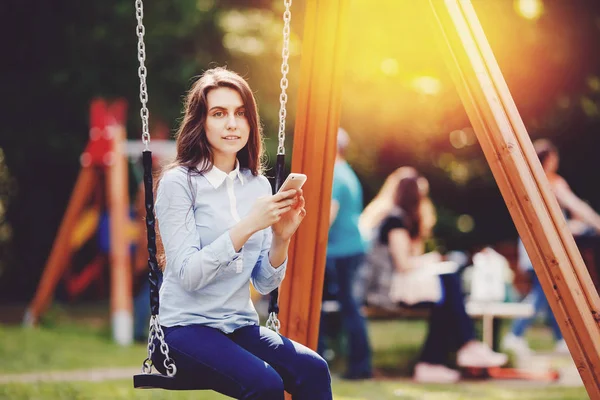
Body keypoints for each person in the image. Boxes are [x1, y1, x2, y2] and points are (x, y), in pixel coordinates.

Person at [151, 67, 332, 400]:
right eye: (219, 113)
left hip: (238, 326)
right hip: (184, 330)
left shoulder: (257, 185)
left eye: (240, 113)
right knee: (265, 384)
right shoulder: (180, 183)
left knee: (314, 369)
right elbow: (188, 275)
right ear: (201, 122)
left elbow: (263, 282)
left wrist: (281, 237)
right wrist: (249, 224)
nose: (232, 123)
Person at [365, 170, 508, 383]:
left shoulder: (399, 219)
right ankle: (461, 348)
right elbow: (403, 265)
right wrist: (431, 260)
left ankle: (433, 362)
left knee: (444, 295)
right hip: (385, 291)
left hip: (399, 285)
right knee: (447, 281)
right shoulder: (395, 221)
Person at [503, 139, 600, 356]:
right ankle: (514, 335)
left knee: (553, 295)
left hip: (530, 246)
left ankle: (561, 341)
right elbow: (576, 206)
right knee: (544, 294)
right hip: (546, 250)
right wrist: (596, 223)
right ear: (549, 159)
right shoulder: (552, 182)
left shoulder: (529, 183)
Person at [317, 128, 373, 380]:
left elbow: (326, 218)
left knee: (338, 307)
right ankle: (356, 365)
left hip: (341, 251)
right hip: (350, 249)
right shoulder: (347, 172)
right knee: (349, 308)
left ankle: (358, 366)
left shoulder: (335, 176)